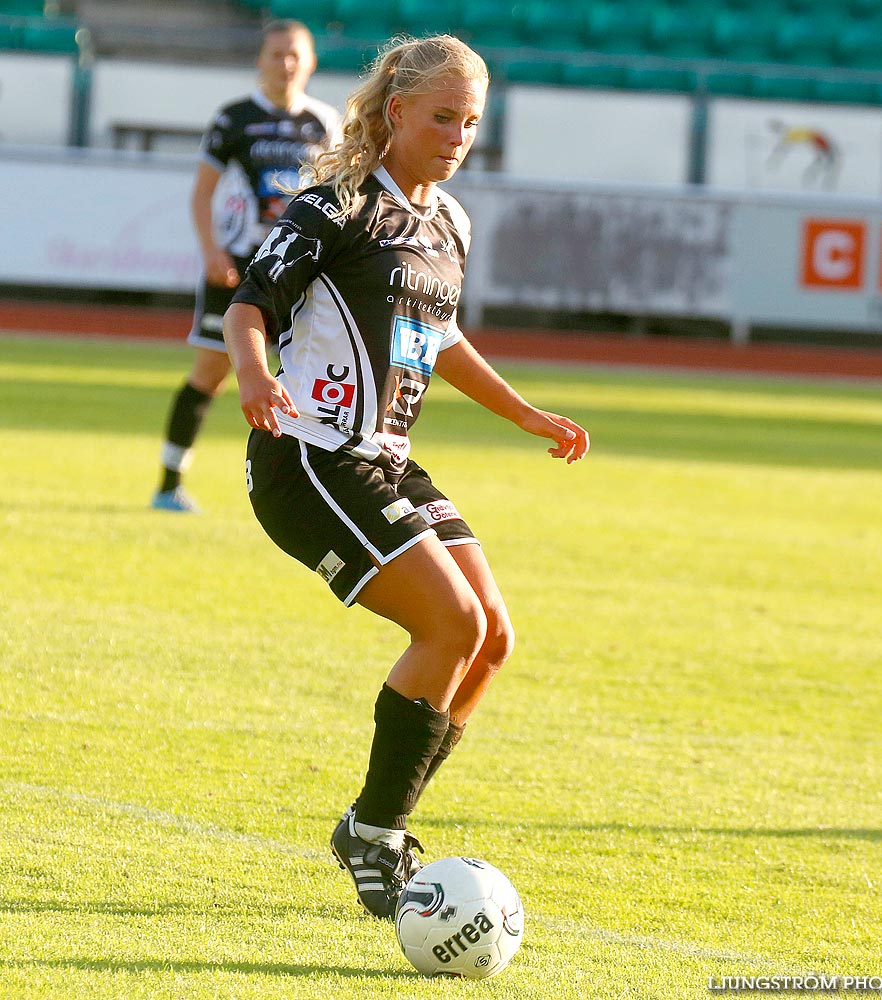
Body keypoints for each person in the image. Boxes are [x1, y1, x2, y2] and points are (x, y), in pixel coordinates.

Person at [222, 34, 590, 920]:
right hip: (306, 453)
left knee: (491, 639)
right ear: (395, 112)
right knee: (450, 622)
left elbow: (440, 339)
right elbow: (248, 305)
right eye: (442, 117)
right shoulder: (338, 206)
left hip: (381, 457)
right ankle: (377, 835)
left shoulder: (450, 222)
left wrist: (526, 413)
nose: (459, 135)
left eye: (471, 121)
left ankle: (375, 826)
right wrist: (253, 374)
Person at [152, 19, 341, 512]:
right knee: (211, 372)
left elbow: (338, 196)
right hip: (238, 267)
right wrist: (211, 248)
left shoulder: (325, 123)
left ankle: (302, 492)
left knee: (306, 377)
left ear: (312, 61)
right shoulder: (233, 118)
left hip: (298, 270)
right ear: (260, 61)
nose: (286, 64)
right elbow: (202, 192)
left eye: (295, 54)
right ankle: (168, 483)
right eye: (277, 54)